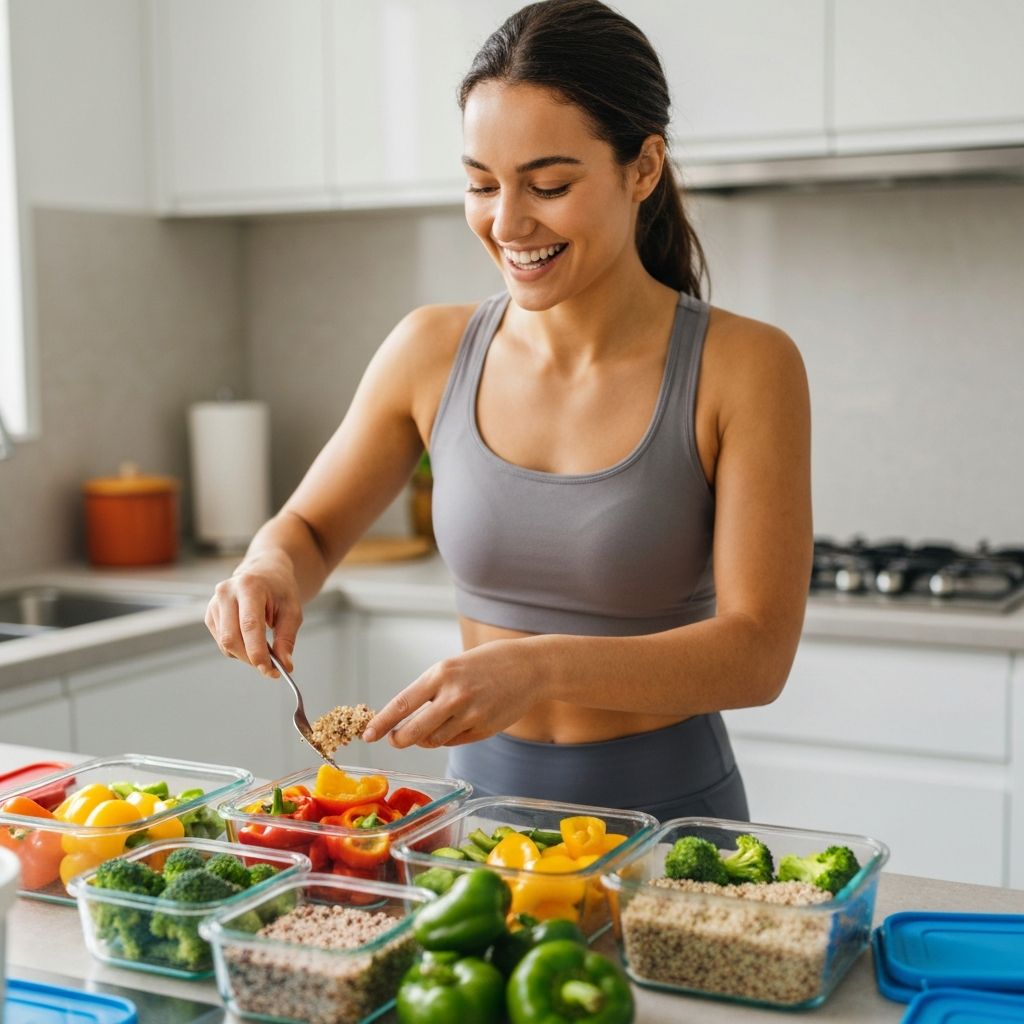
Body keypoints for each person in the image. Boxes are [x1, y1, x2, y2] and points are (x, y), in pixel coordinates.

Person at [204, 0, 812, 822]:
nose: (507, 221)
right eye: (480, 184)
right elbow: (309, 530)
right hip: (474, 824)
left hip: (671, 827)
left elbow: (758, 655)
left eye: (549, 184)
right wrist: (269, 569)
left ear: (643, 168)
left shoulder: (745, 366)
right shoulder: (430, 350)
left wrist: (538, 667)